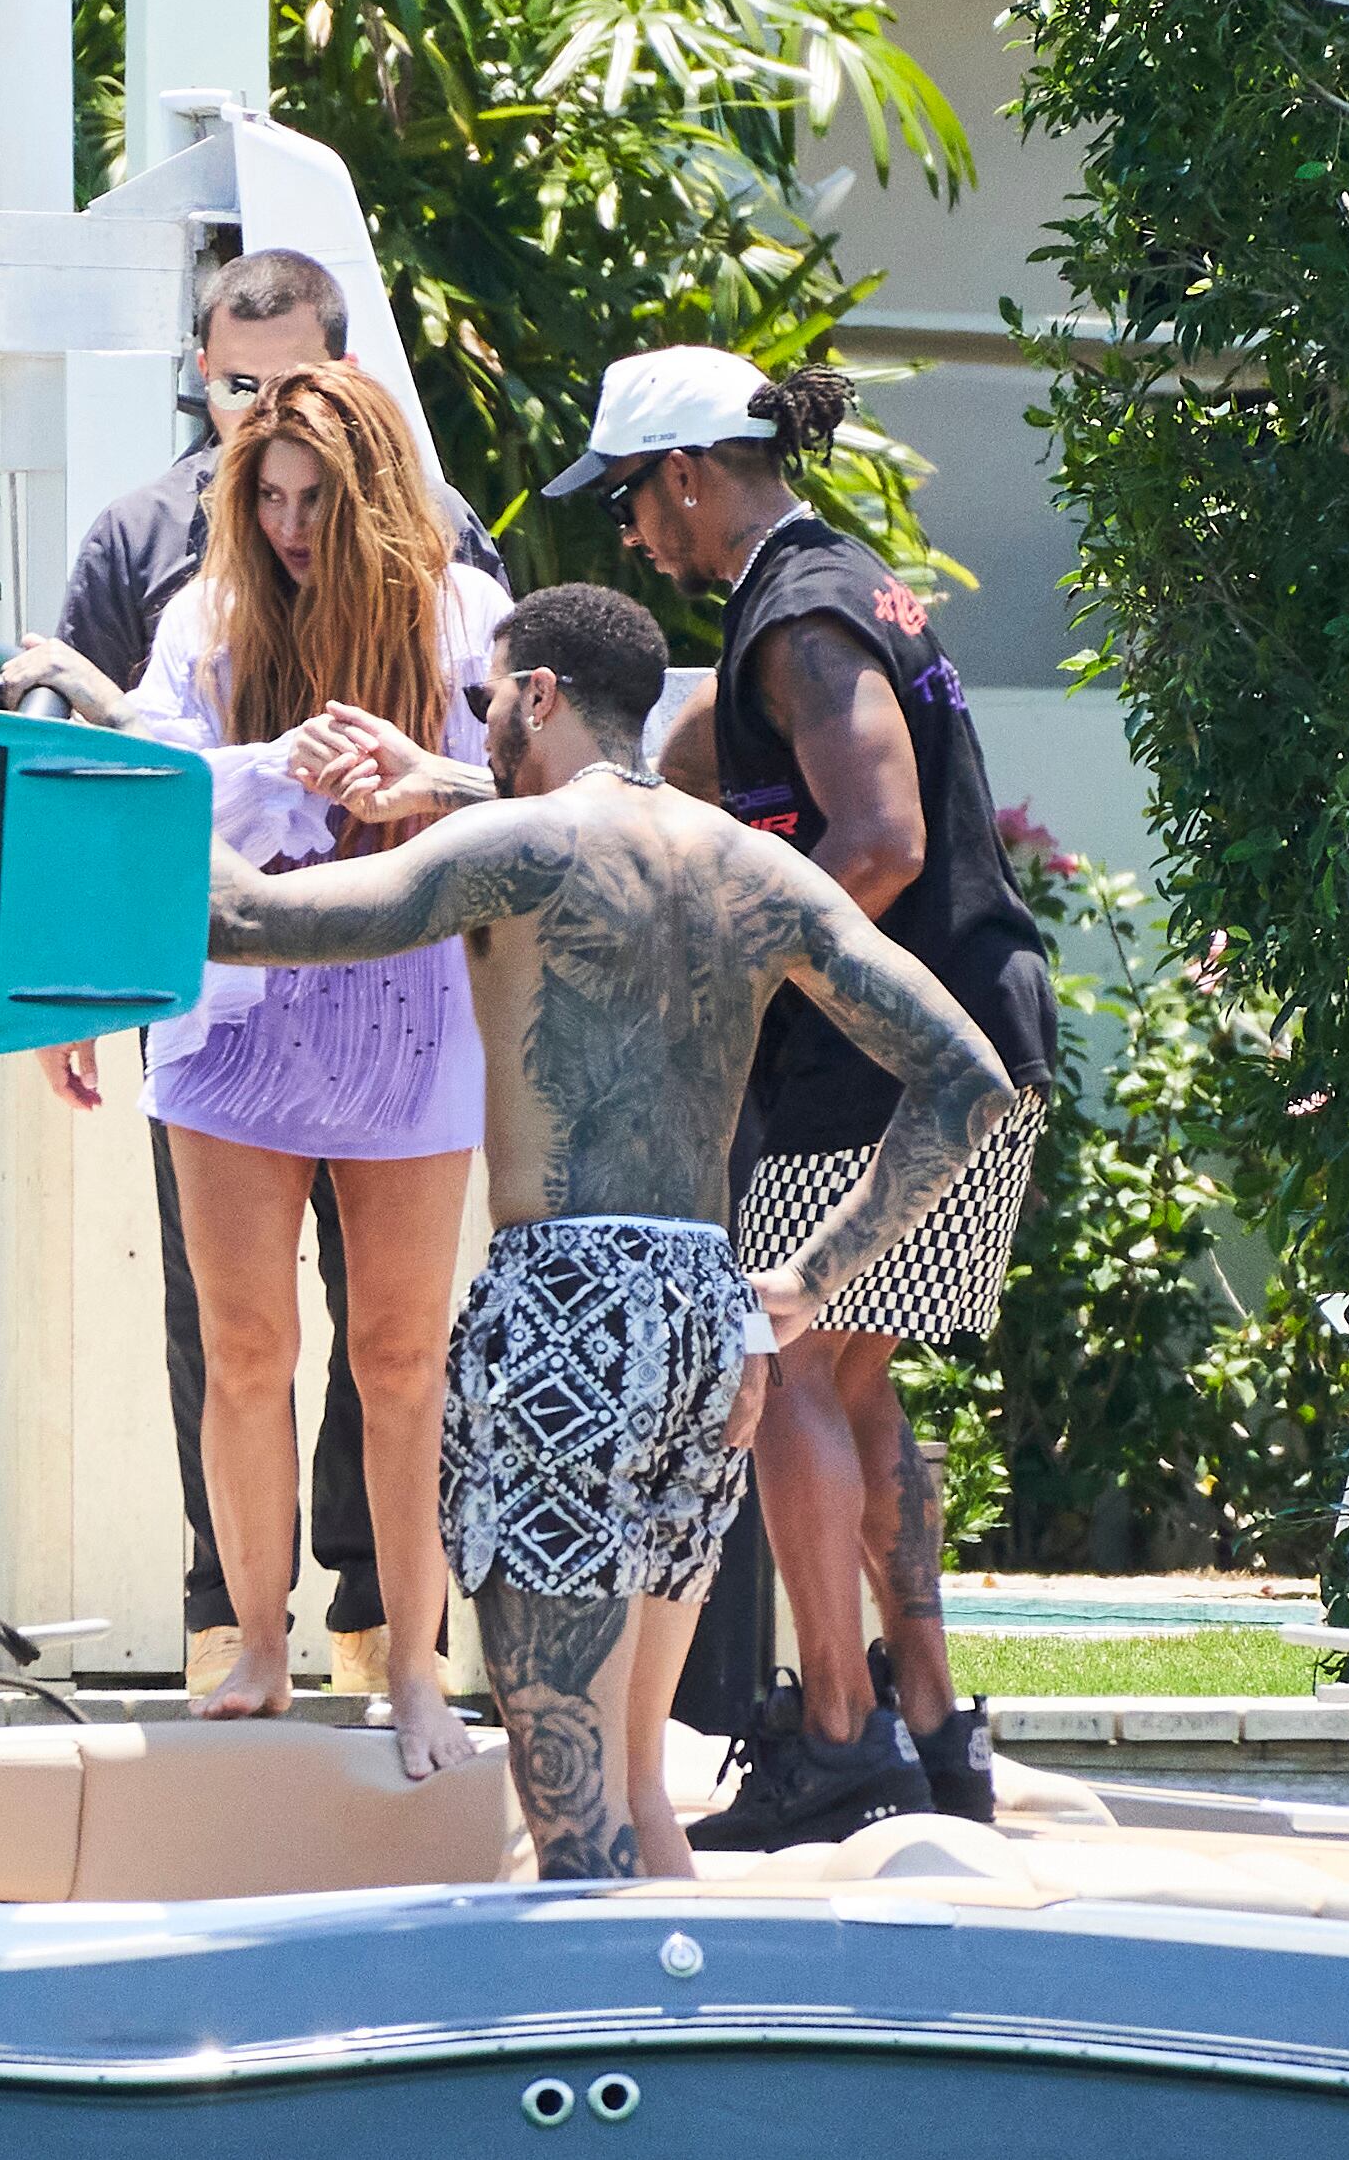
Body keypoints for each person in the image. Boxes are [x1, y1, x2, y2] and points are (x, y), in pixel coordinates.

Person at [210, 583, 1012, 1875]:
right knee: (644, 1799)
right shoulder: (754, 869)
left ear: (540, 693)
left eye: (488, 702)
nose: (477, 734)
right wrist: (811, 1275)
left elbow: (253, 920)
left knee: (575, 1835)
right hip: (710, 1317)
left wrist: (130, 774)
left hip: (568, 1318)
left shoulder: (519, 850)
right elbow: (969, 1073)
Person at [549, 348, 1057, 1839]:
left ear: (692, 472)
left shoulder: (798, 614)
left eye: (635, 500)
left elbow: (881, 836)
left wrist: (727, 979)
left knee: (783, 1363)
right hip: (966, 1033)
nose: (636, 535)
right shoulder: (847, 583)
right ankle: (927, 1728)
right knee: (851, 1374)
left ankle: (836, 1735)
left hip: (885, 1051)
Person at [6, 361, 510, 1775]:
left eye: (315, 499)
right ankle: (259, 1643)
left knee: (402, 1357)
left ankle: (415, 1667)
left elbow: (545, 795)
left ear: (374, 500)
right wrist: (272, 765)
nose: (291, 525)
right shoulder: (206, 617)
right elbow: (146, 798)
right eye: (269, 495)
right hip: (236, 1016)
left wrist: (426, 775)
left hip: (408, 1009)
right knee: (245, 1350)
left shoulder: (464, 617)